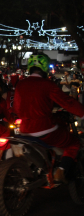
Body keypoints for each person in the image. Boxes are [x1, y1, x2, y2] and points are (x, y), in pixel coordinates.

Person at [14, 54, 84, 183]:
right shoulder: (47, 84)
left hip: (24, 129)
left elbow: (17, 108)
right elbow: (67, 102)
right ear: (45, 67)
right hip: (44, 129)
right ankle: (61, 171)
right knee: (74, 143)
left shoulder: (20, 84)